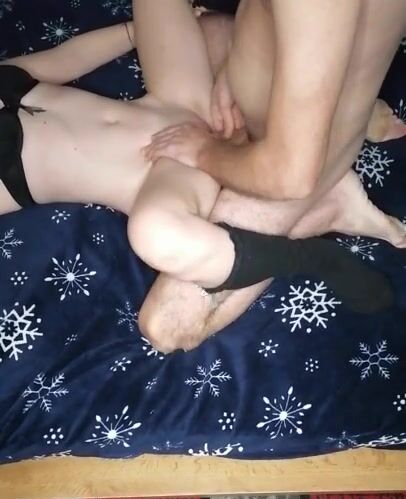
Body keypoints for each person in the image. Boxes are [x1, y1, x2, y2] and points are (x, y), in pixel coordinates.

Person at [0, 4, 402, 354]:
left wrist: (136, 32)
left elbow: (69, 56)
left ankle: (335, 120)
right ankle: (313, 254)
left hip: (175, 101)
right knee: (154, 234)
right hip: (161, 170)